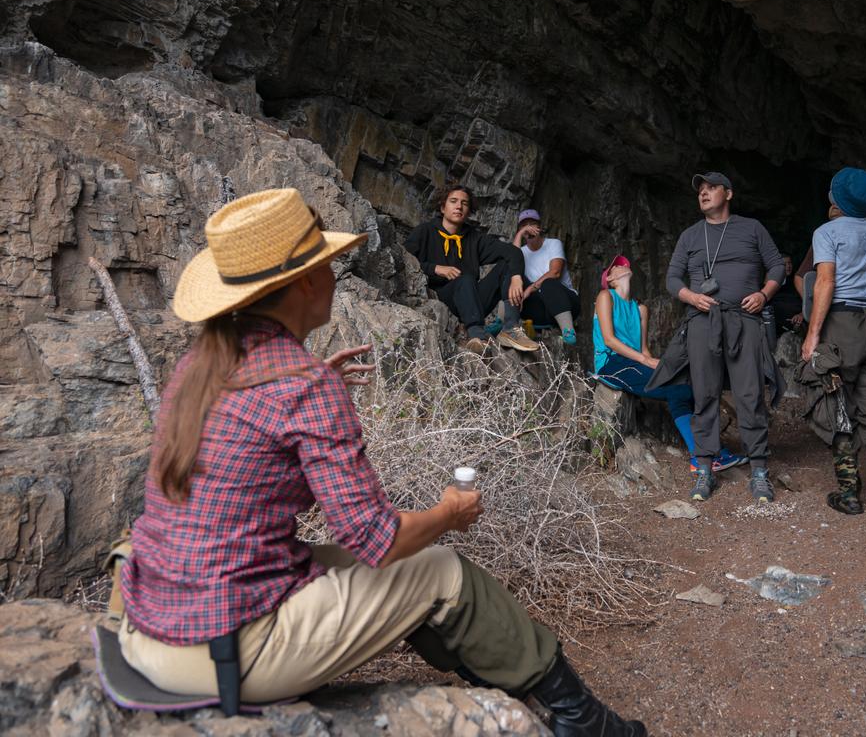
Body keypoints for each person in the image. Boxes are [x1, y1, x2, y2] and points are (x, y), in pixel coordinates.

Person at [117, 189, 644, 736]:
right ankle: (586, 723)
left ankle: (526, 697)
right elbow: (379, 541)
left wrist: (316, 381)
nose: (334, 275)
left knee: (352, 561)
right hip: (224, 648)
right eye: (327, 265)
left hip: (152, 624)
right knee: (441, 569)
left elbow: (254, 437)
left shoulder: (202, 364)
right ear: (304, 283)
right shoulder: (301, 386)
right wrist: (449, 513)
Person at [652, 171, 785, 504]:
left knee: (750, 393)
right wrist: (691, 296)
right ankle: (705, 469)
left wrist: (764, 294)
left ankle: (759, 471)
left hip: (744, 320)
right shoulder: (690, 236)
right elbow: (672, 278)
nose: (704, 193)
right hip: (702, 321)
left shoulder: (752, 228)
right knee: (705, 395)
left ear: (728, 193)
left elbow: (777, 266)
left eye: (711, 188)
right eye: (700, 189)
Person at [801, 168, 866, 515]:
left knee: (837, 404)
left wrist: (813, 334)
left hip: (841, 324)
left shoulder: (827, 232)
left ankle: (849, 494)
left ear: (837, 198)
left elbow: (825, 283)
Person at [593, 255, 745, 473]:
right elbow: (609, 339)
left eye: (622, 263)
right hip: (611, 363)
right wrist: (646, 361)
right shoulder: (605, 296)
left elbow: (644, 349)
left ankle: (710, 453)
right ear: (609, 279)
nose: (621, 266)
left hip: (634, 360)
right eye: (615, 266)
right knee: (677, 390)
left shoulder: (640, 309)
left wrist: (660, 366)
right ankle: (702, 457)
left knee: (687, 387)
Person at [404, 186, 538, 354]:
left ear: (468, 211)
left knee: (507, 266)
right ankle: (477, 335)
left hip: (473, 302)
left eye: (464, 203)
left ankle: (510, 329)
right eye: (453, 201)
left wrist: (516, 277)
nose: (459, 206)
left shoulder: (474, 238)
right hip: (442, 299)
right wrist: (435, 268)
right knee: (465, 279)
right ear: (443, 207)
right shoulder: (425, 231)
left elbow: (513, 252)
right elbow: (404, 260)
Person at [511, 209, 581, 345]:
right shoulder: (522, 252)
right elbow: (512, 261)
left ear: (539, 227)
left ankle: (568, 330)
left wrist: (530, 289)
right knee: (511, 275)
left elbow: (555, 272)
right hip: (539, 310)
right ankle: (503, 324)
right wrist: (520, 233)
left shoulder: (553, 243)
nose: (529, 229)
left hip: (565, 304)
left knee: (548, 282)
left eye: (532, 224)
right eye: (525, 226)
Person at [768, 254, 805, 334]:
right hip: (777, 326)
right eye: (785, 264)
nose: (788, 266)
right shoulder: (770, 284)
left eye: (789, 263)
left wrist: (802, 314)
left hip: (797, 324)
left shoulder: (797, 281)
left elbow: (808, 302)